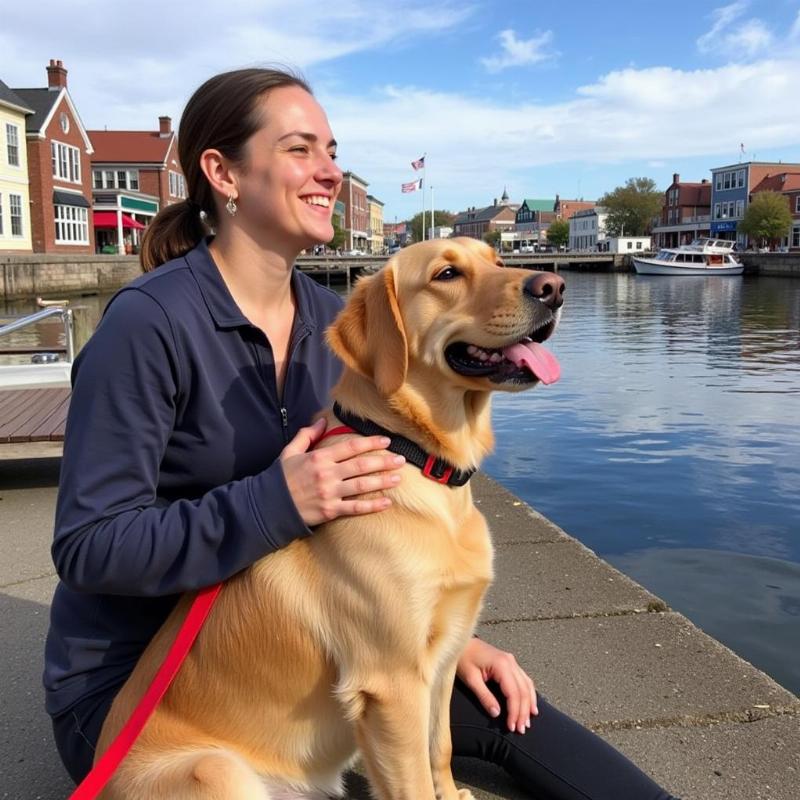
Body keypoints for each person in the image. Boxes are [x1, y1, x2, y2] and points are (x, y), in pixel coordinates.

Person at [45, 68, 677, 800]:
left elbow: (350, 562)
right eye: (300, 149)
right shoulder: (148, 326)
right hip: (147, 700)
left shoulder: (333, 319)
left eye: (332, 148)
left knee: (513, 714)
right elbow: (88, 547)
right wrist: (271, 503)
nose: (330, 170)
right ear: (222, 172)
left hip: (317, 656)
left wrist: (441, 637)